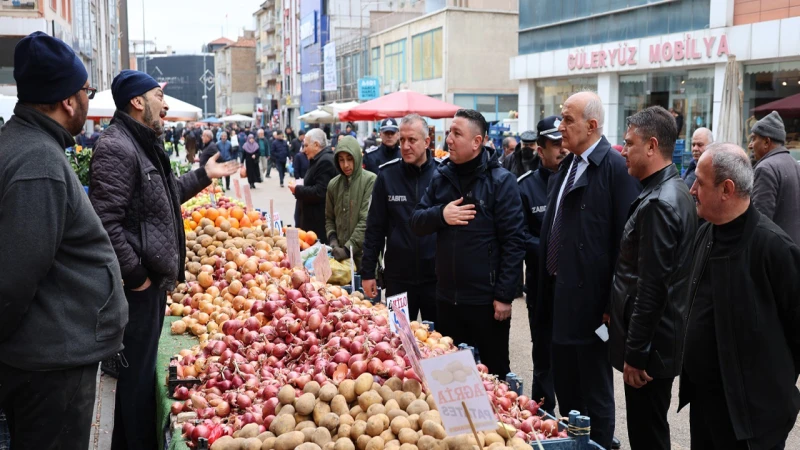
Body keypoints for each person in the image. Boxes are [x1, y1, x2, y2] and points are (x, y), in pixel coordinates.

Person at [89, 70, 237, 450]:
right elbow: (104, 223)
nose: (165, 103)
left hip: (148, 288)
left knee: (139, 381)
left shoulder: (140, 144)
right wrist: (137, 276)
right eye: (158, 95)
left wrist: (204, 175)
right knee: (136, 385)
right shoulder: (117, 147)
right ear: (137, 102)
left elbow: (165, 195)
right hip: (135, 290)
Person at [0, 31, 128, 450]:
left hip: (45, 354)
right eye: (86, 90)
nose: (89, 100)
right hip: (49, 364)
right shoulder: (39, 162)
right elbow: (15, 278)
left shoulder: (25, 145)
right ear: (68, 101)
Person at [534, 91, 641, 449]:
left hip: (595, 308)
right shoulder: (567, 165)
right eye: (561, 118)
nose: (560, 126)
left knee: (594, 391)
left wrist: (614, 305)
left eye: (567, 120)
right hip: (557, 295)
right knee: (567, 389)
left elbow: (625, 247)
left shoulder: (614, 169)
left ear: (592, 125)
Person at [680, 142, 800, 450]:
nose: (692, 189)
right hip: (706, 406)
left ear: (727, 189)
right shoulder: (705, 233)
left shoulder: (775, 248)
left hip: (753, 421)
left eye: (700, 182)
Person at [410, 109, 527, 377]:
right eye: (449, 132)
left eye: (456, 133)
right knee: (451, 375)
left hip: (486, 304)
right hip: (447, 299)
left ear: (477, 142)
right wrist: (442, 215)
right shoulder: (441, 176)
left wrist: (503, 296)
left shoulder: (501, 182)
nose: (448, 139)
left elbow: (513, 242)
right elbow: (416, 221)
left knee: (492, 375)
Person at [609, 106, 697, 450]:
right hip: (657, 344)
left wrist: (636, 354)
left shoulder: (661, 201)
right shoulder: (668, 191)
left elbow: (653, 286)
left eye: (629, 143)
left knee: (647, 435)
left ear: (652, 146)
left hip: (651, 351)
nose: (623, 150)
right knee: (650, 430)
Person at [362, 114, 439, 319]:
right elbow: (374, 228)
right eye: (402, 140)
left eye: (412, 140)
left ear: (427, 142)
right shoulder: (387, 175)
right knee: (397, 341)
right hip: (398, 278)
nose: (405, 146)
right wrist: (368, 272)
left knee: (441, 343)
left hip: (437, 279)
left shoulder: (443, 175)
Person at [517, 115, 568, 415]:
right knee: (544, 354)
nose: (562, 149)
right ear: (540, 149)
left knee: (574, 355)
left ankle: (580, 418)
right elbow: (518, 235)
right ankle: (544, 415)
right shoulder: (525, 187)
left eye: (564, 142)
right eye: (555, 144)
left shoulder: (578, 179)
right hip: (540, 284)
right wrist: (552, 251)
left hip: (572, 286)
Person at [325, 135, 377, 268]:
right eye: (341, 160)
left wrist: (348, 249)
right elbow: (329, 218)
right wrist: (333, 241)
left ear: (357, 157)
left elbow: (366, 220)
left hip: (365, 258)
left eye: (349, 159)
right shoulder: (333, 185)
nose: (345, 165)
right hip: (340, 262)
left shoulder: (371, 181)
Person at [750, 111, 800, 244]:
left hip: (776, 254)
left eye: (754, 138)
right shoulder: (794, 164)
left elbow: (760, 221)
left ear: (766, 142)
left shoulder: (765, 168)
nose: (750, 145)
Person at [291, 128, 337, 243]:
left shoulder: (325, 161)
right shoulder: (318, 159)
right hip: (312, 223)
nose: (304, 150)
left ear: (316, 145)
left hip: (318, 225)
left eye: (306, 146)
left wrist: (297, 190)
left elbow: (320, 192)